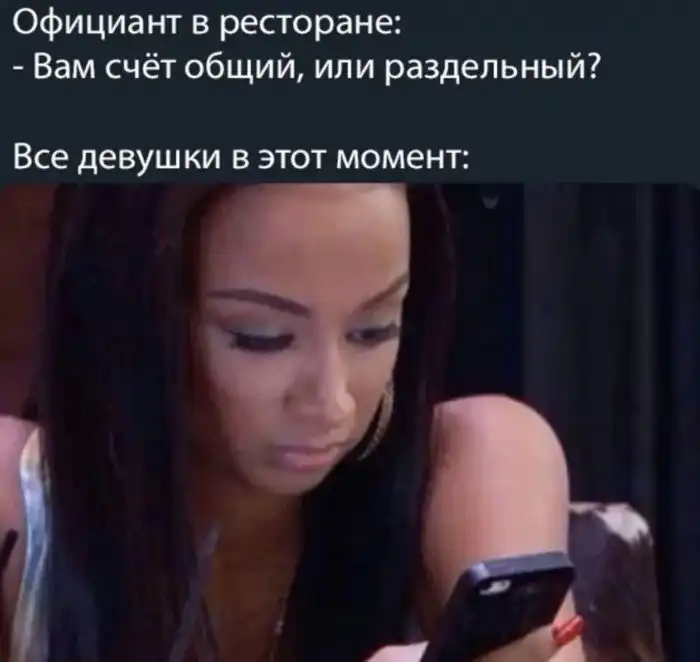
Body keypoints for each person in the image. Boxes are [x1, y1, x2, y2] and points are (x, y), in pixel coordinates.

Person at [0, 184, 584, 662]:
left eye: (374, 329)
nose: (333, 402)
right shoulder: (17, 503)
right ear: (130, 314)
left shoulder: (476, 460)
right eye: (262, 337)